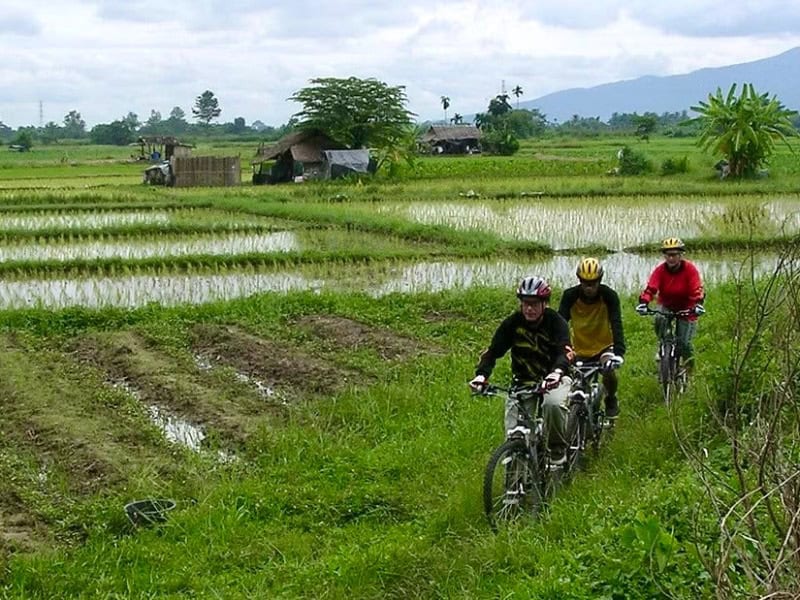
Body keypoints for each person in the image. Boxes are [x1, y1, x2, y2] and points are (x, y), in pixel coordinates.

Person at [469, 276, 572, 466]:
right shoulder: (513, 323)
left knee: (553, 404)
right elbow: (492, 352)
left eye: (534, 304)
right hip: (523, 383)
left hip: (554, 379)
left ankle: (557, 449)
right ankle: (515, 476)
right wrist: (481, 376)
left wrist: (556, 372)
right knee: (513, 431)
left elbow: (565, 352)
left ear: (544, 304)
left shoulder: (556, 322)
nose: (529, 309)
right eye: (525, 304)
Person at [558, 257, 625, 418]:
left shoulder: (609, 296)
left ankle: (610, 398)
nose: (589, 288)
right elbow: (560, 324)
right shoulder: (570, 296)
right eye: (585, 283)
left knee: (608, 370)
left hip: (603, 347)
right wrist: (559, 348)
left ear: (599, 281)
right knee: (575, 385)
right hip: (579, 348)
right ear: (579, 281)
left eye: (593, 283)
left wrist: (619, 351)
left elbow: (616, 323)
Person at [636, 237, 705, 370]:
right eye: (668, 255)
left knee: (684, 344)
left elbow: (697, 290)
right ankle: (663, 347)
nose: (671, 259)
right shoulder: (660, 270)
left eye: (674, 255)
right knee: (659, 318)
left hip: (687, 307)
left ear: (680, 255)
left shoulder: (690, 270)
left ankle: (689, 370)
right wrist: (644, 302)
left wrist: (698, 305)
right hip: (667, 305)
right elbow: (651, 289)